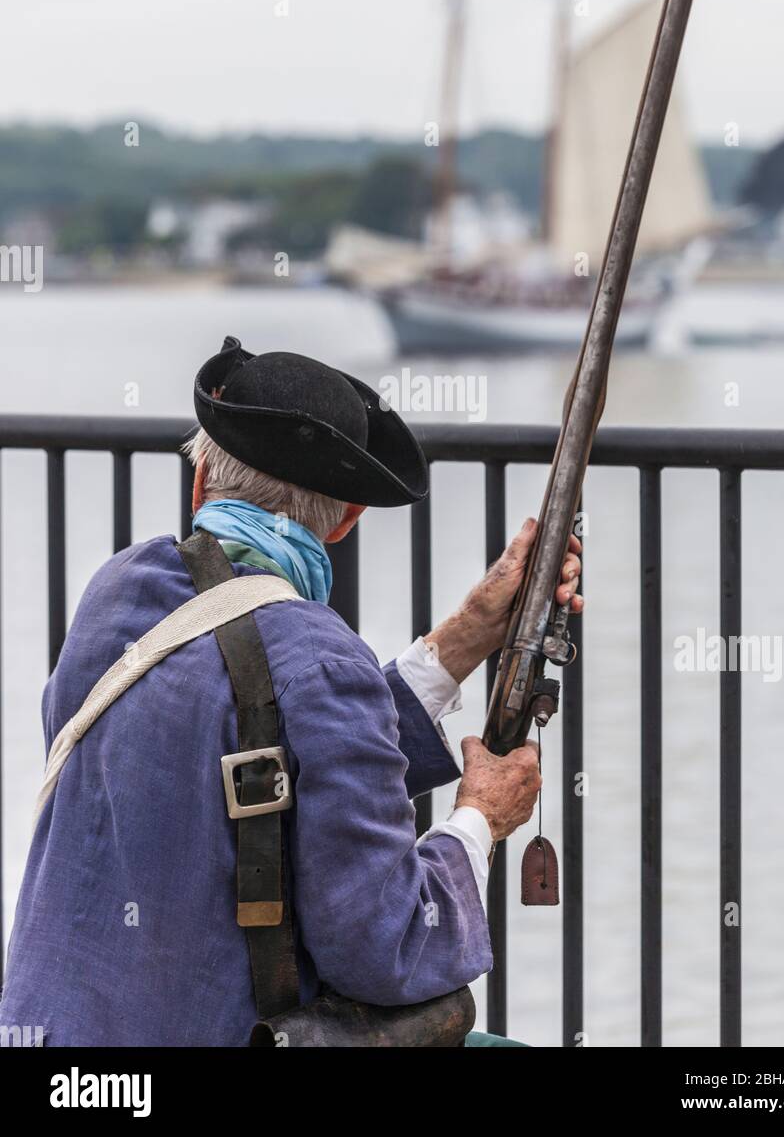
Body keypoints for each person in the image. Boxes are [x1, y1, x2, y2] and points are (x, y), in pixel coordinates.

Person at [0, 336, 581, 1047]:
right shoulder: (320, 661)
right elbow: (384, 946)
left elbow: (273, 743)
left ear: (201, 485)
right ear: (344, 520)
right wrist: (478, 821)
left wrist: (467, 633)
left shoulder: (114, 593)